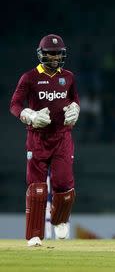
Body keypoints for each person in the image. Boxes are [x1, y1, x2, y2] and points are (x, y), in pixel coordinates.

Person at [10, 34, 80, 247]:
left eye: (58, 53)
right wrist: (29, 115)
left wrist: (76, 109)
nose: (55, 57)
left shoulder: (68, 77)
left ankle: (60, 220)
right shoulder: (29, 77)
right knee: (38, 187)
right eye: (51, 53)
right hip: (38, 138)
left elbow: (74, 99)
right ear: (42, 54)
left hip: (62, 137)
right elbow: (14, 104)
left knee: (64, 183)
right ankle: (34, 233)